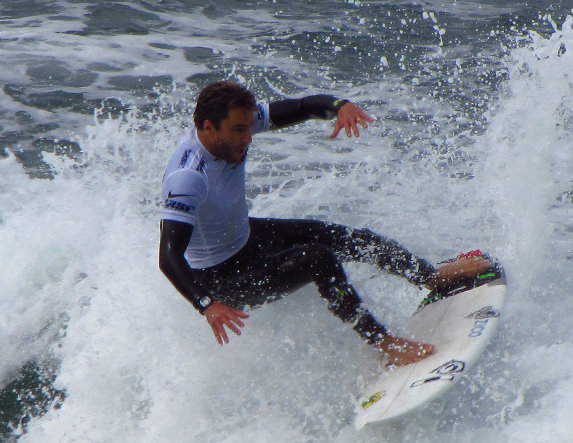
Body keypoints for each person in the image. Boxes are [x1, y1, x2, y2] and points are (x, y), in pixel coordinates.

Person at [159, 81, 488, 366]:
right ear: (207, 127)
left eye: (248, 127)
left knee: (343, 237)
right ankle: (385, 345)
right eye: (238, 130)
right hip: (220, 278)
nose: (247, 138)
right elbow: (169, 256)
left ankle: (429, 276)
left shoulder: (236, 126)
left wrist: (339, 106)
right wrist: (206, 304)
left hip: (244, 237)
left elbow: (301, 107)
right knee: (319, 258)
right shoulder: (189, 177)